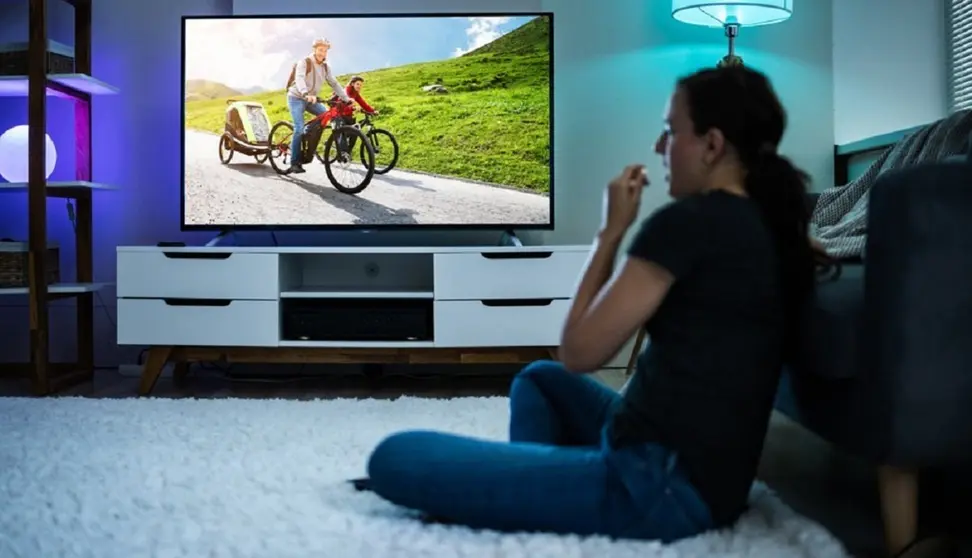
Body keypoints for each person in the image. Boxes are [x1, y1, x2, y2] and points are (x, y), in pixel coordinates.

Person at [355, 65, 816, 543]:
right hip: (700, 475)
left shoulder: (688, 224)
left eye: (670, 131)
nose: (660, 147)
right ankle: (544, 488)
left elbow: (578, 352)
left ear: (713, 145)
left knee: (395, 457)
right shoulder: (769, 223)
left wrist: (609, 233)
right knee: (539, 379)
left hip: (657, 487)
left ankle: (548, 490)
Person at [285, 37, 352, 174]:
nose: (323, 53)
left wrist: (346, 98)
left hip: (312, 99)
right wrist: (305, 93)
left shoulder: (326, 67)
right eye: (320, 50)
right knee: (298, 128)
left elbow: (334, 83)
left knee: (325, 116)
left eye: (325, 51)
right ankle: (294, 162)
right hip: (297, 97)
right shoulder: (305, 62)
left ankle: (307, 132)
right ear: (314, 49)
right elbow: (299, 78)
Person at [328, 75, 379, 157]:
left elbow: (363, 104)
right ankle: (342, 153)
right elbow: (344, 103)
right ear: (352, 84)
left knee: (355, 132)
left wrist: (372, 111)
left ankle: (348, 153)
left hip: (348, 116)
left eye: (361, 85)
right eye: (358, 84)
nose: (359, 86)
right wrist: (353, 108)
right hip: (338, 114)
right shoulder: (346, 90)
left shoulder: (356, 93)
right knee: (343, 132)